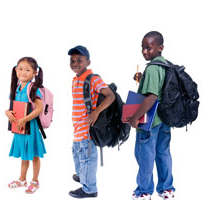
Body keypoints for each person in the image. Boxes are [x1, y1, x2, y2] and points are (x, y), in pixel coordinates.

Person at [126, 31, 175, 200]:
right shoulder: (165, 65)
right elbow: (160, 89)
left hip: (149, 121)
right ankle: (166, 189)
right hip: (164, 119)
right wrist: (142, 78)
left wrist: (134, 118)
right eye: (143, 48)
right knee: (163, 153)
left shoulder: (153, 68)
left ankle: (144, 191)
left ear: (160, 48)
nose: (145, 51)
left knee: (144, 156)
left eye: (149, 47)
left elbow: (151, 97)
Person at [68, 45, 115, 198]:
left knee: (87, 156)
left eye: (79, 60)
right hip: (78, 126)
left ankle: (90, 189)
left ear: (88, 62)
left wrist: (96, 112)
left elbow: (110, 96)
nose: (75, 63)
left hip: (88, 127)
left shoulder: (93, 79)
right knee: (77, 153)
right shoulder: (75, 80)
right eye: (72, 60)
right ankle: (83, 176)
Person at [6, 57, 46, 194]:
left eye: (28, 70)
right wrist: (7, 113)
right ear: (16, 70)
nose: (23, 72)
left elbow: (39, 108)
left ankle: (35, 181)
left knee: (34, 154)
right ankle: (22, 180)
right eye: (21, 69)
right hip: (20, 128)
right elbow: (13, 107)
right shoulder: (16, 88)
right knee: (24, 153)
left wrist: (25, 119)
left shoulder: (32, 88)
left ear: (35, 72)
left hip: (31, 128)